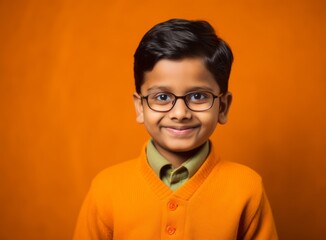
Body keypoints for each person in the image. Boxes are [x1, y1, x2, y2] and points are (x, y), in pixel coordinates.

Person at [73, 18, 278, 240]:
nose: (180, 113)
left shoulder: (247, 188)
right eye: (162, 97)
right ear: (140, 106)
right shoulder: (106, 189)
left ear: (223, 106)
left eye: (198, 96)